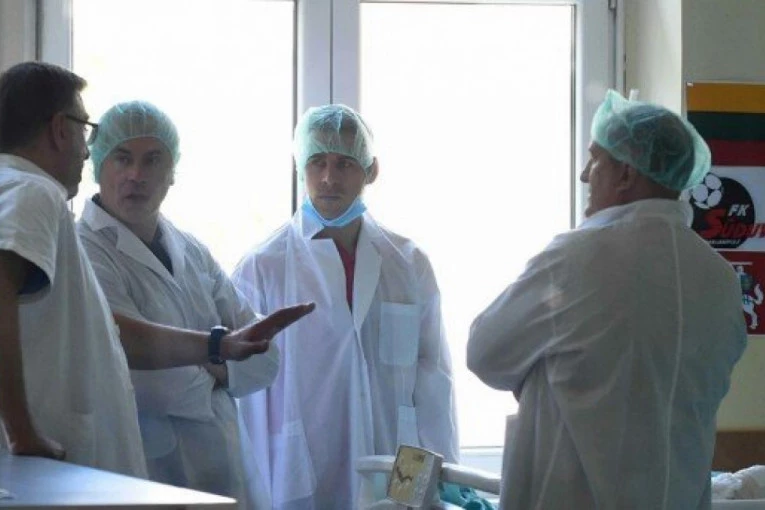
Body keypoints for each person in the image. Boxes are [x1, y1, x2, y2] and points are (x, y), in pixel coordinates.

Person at [0, 61, 313, 481]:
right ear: (60, 129)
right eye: (85, 130)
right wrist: (21, 432)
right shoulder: (32, 189)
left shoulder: (187, 246)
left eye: (152, 160)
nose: (86, 149)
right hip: (57, 463)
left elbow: (118, 336)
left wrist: (218, 346)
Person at [466, 89, 748, 510]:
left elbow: (484, 353)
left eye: (595, 159)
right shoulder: (720, 278)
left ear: (626, 174)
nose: (584, 175)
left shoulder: (574, 260)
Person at [231, 104, 459, 509]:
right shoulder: (262, 268)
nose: (329, 177)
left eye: (345, 163)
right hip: (300, 477)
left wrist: (434, 488)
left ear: (371, 171)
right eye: (317, 162)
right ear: (301, 168)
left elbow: (433, 384)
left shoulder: (408, 264)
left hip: (397, 473)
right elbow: (247, 401)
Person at [76, 100, 276, 508]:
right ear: (97, 165)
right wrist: (223, 360)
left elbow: (266, 356)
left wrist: (212, 364)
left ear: (172, 173)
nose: (136, 175)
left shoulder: (191, 248)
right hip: (147, 472)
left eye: (153, 160)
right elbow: (147, 382)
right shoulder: (83, 250)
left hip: (225, 464)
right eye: (123, 158)